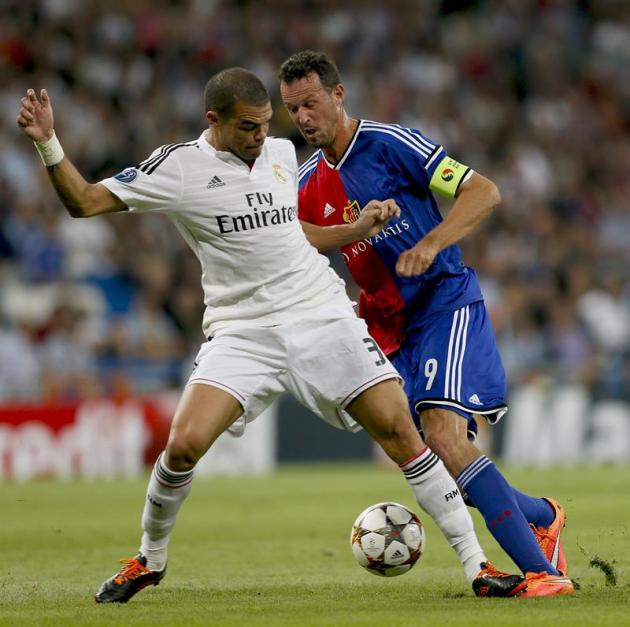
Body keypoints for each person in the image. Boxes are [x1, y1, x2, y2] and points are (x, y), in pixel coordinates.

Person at [16, 69, 523, 604]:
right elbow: (84, 202)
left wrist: (354, 230)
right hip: (241, 330)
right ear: (214, 121)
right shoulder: (179, 168)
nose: (262, 136)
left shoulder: (281, 154)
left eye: (265, 124)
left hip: (320, 312)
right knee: (183, 445)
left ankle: (477, 566)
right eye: (248, 128)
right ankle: (149, 559)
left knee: (401, 430)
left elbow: (291, 233)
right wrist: (49, 142)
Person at [279, 50, 574, 598]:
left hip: (442, 301)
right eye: (292, 108)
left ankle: (543, 574)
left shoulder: (391, 144)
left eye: (310, 104)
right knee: (429, 454)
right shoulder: (304, 184)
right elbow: (291, 240)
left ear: (338, 96)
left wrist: (431, 241)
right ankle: (542, 514)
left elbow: (483, 191)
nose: (301, 118)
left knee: (444, 437)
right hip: (386, 329)